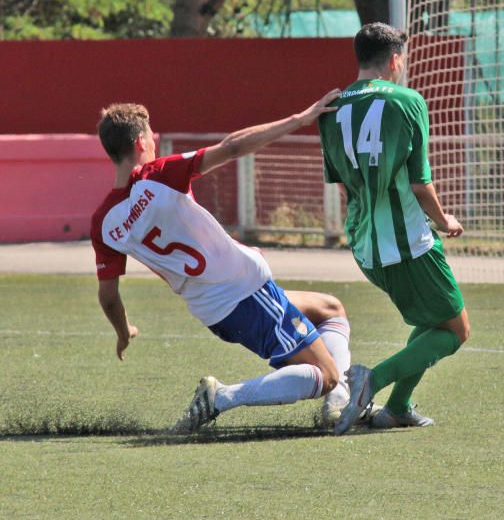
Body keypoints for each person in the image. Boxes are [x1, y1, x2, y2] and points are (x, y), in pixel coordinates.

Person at [91, 90, 357, 432]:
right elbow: (231, 147)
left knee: (330, 309)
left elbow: (108, 296)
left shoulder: (104, 221)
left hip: (214, 308)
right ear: (141, 140)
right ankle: (221, 397)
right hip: (244, 292)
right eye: (152, 138)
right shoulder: (157, 175)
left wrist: (123, 331)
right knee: (327, 376)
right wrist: (300, 119)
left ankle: (343, 400)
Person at [318, 22, 470, 435]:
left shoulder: (331, 108)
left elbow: (343, 181)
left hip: (365, 244)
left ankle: (398, 407)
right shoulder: (407, 100)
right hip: (407, 243)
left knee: (435, 320)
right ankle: (373, 381)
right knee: (456, 330)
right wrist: (445, 221)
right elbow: (420, 183)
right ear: (395, 59)